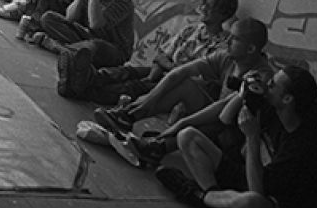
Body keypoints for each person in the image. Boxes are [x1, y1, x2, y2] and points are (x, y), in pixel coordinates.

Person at [155, 65, 317, 208]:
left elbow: (257, 190)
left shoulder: (305, 145)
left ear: (287, 99)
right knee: (187, 136)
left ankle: (196, 194)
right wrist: (244, 92)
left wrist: (252, 137)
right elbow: (224, 118)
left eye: (273, 84)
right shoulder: (273, 110)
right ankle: (219, 203)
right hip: (244, 175)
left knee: (251, 202)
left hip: (269, 206)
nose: (267, 86)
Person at [94, 18, 275, 165]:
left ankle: (159, 147)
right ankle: (129, 116)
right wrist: (145, 102)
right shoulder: (227, 56)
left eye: (234, 39)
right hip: (215, 116)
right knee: (187, 85)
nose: (227, 41)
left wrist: (182, 123)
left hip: (234, 136)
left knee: (218, 120)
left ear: (251, 49)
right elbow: (181, 72)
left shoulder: (261, 77)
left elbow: (223, 112)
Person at [61, 0, 238, 104]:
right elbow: (162, 55)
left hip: (175, 86)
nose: (203, 9)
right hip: (162, 72)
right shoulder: (191, 31)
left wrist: (167, 68)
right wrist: (166, 67)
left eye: (210, 7)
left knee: (134, 87)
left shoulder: (222, 47)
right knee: (125, 72)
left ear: (223, 14)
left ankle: (78, 86)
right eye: (203, 4)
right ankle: (84, 77)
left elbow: (194, 77)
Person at [50, 0, 135, 97]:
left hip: (113, 48)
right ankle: (71, 52)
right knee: (50, 19)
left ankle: (64, 51)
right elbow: (69, 18)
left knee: (93, 46)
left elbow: (96, 23)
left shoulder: (122, 0)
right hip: (87, 37)